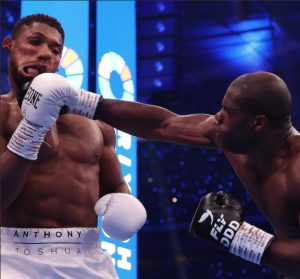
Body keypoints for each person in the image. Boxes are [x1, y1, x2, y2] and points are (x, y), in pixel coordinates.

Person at [33, 68, 300, 277]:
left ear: (258, 123)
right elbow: (163, 125)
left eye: (228, 113)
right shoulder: (232, 137)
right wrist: (82, 102)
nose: (217, 117)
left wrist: (238, 236)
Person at [0, 14, 147, 279]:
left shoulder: (95, 122)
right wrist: (33, 126)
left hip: (89, 259)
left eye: (55, 50)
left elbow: (114, 185)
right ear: (10, 44)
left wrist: (124, 202)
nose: (45, 54)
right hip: (13, 258)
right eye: (35, 42)